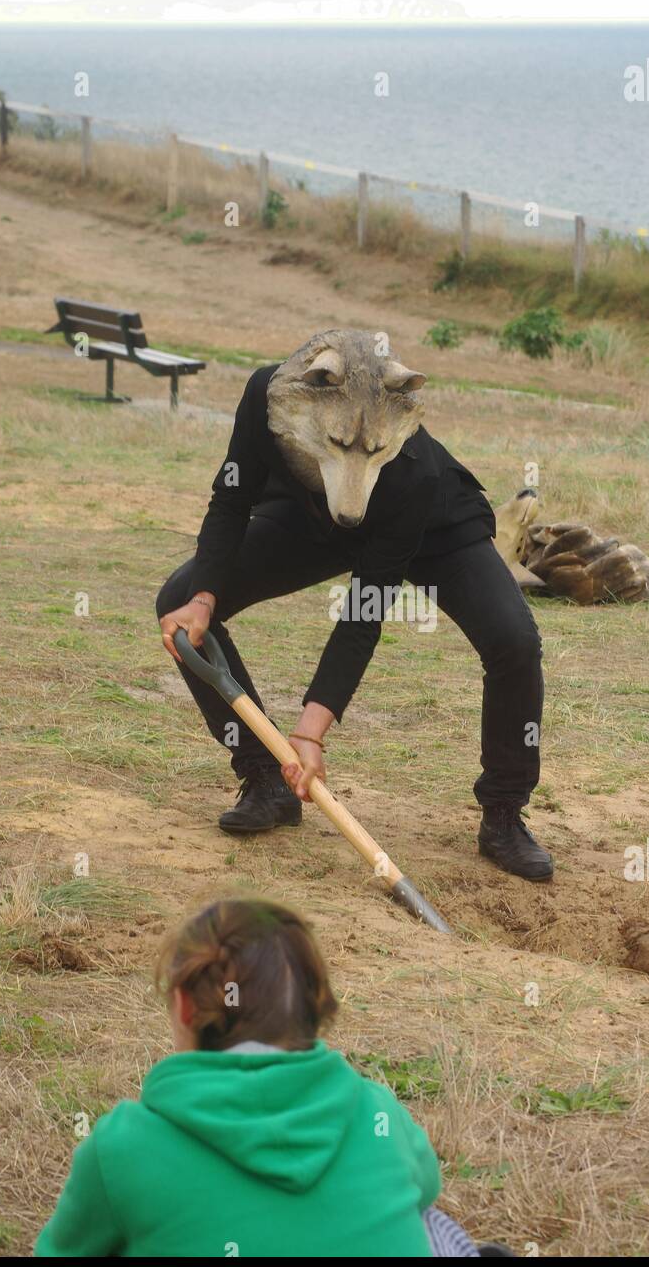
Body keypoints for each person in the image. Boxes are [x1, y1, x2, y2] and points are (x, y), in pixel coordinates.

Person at [157, 356, 553, 881]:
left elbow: (364, 610)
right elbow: (231, 498)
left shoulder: (415, 470)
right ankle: (265, 777)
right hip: (314, 516)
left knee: (515, 642)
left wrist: (311, 734)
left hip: (427, 527)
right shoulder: (268, 394)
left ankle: (504, 814)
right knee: (179, 603)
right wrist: (204, 598)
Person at [35, 898, 446, 1258]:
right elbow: (425, 1190)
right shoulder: (380, 1114)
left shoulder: (121, 1145)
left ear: (183, 1006)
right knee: (433, 1228)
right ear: (316, 1009)